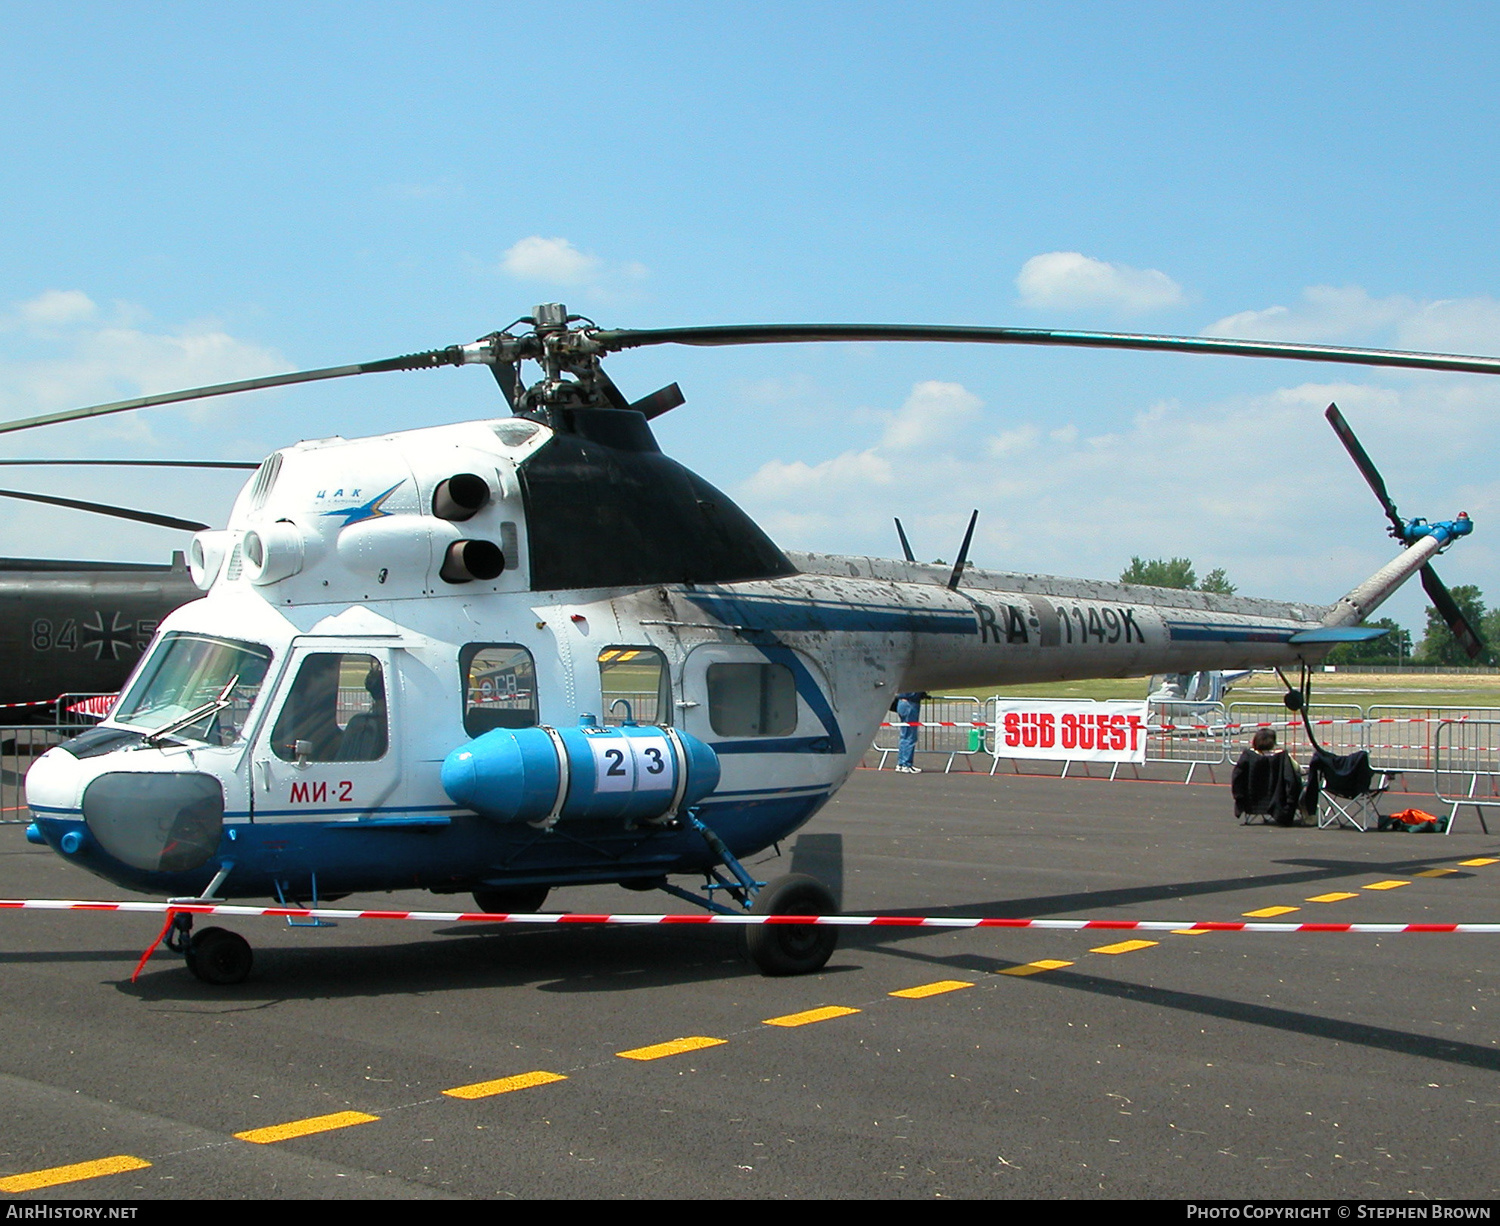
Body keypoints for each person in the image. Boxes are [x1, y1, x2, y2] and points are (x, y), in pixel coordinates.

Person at [1231, 727, 1302, 826]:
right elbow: (1295, 772)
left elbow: (1237, 777)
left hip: (1251, 800)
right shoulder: (1282, 757)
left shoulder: (1247, 756)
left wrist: (1239, 797)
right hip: (1278, 801)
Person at [895, 691, 927, 773]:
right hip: (910, 703)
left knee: (905, 735)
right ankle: (906, 764)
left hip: (902, 703)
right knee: (910, 736)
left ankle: (901, 763)